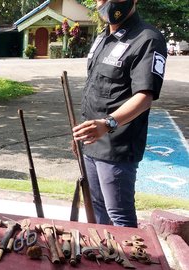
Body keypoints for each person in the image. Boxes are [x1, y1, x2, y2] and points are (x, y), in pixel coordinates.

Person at [72, 0, 167, 227]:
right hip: (92, 142)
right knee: (95, 210)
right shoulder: (103, 37)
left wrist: (107, 123)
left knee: (120, 217)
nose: (107, 3)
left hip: (117, 146)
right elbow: (96, 90)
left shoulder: (147, 38)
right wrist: (81, 134)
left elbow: (145, 96)